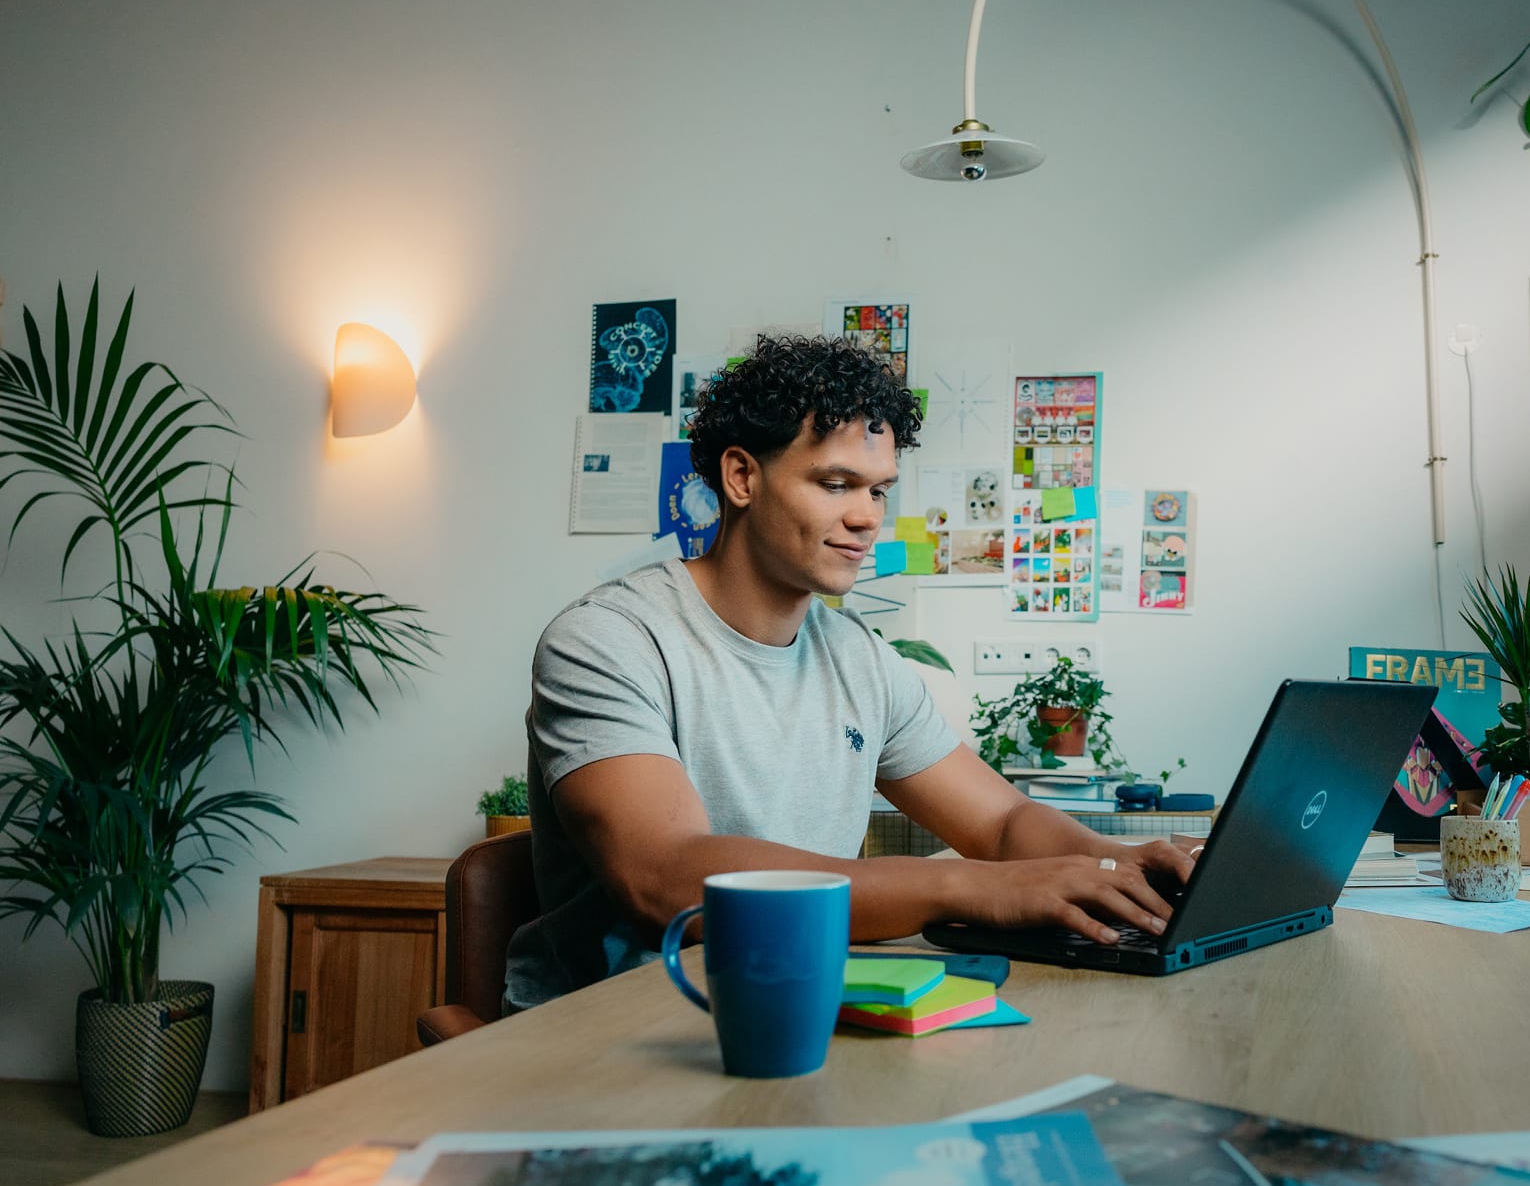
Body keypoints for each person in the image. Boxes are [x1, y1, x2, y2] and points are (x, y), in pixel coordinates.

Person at [505, 335, 1195, 1009]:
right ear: (742, 476)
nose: (867, 517)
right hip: (613, 1038)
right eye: (836, 483)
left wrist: (1115, 864)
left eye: (879, 490)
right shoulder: (607, 640)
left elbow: (1005, 822)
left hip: (794, 1004)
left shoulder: (859, 658)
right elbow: (666, 876)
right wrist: (962, 887)